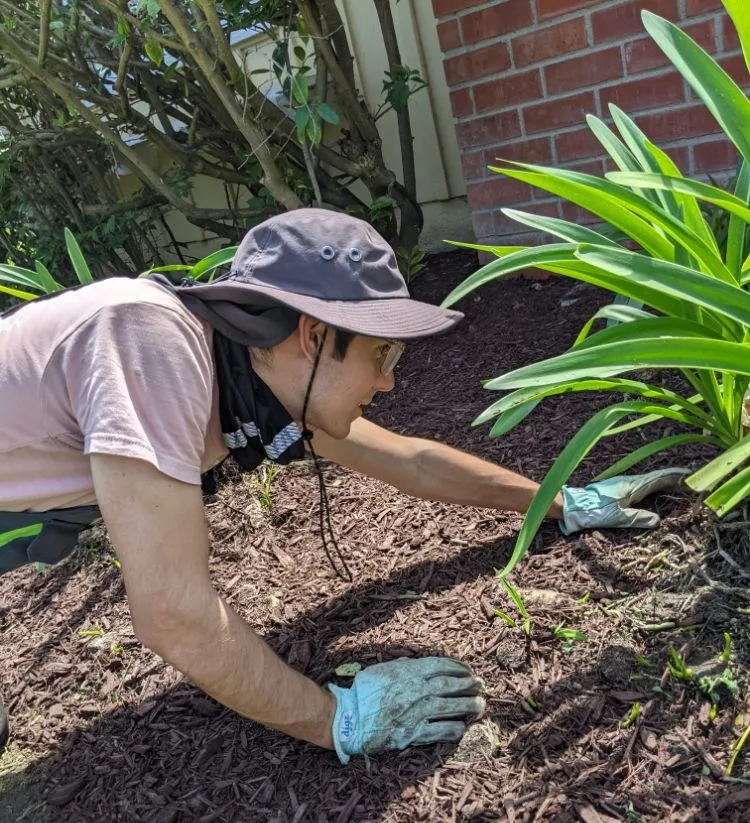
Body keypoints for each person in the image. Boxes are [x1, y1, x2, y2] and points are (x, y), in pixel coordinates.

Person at [0, 208, 686, 761]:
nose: (389, 381)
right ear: (312, 336)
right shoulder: (147, 342)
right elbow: (172, 614)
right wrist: (336, 720)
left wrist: (564, 502)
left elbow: (412, 463)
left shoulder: (258, 378)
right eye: (381, 354)